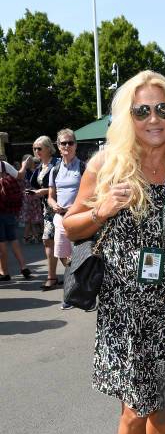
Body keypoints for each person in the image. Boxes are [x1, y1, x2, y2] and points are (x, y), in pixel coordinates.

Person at [63, 71, 165, 434]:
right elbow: (72, 227)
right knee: (134, 409)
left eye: (162, 108)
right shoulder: (106, 165)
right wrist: (101, 210)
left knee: (161, 406)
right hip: (123, 308)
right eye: (142, 110)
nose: (153, 118)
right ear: (127, 117)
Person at [48, 129, 85, 310]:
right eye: (63, 143)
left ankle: (73, 296)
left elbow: (91, 194)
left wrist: (75, 207)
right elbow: (50, 196)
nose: (67, 146)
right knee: (64, 257)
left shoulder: (83, 167)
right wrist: (53, 204)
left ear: (76, 145)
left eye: (70, 143)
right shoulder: (55, 169)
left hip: (78, 217)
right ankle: (76, 286)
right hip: (60, 219)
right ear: (58, 146)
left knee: (82, 255)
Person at [30, 136, 60, 289]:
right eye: (34, 148)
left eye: (39, 148)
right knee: (50, 241)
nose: (36, 151)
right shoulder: (40, 166)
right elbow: (36, 184)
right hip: (46, 209)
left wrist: (44, 191)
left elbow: (63, 186)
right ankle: (53, 276)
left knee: (52, 240)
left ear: (49, 148)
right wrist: (34, 192)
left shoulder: (58, 164)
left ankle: (59, 275)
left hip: (59, 208)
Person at [0, 158, 32, 281]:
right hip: (9, 209)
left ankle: (4, 272)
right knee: (13, 239)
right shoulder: (3, 164)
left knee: (1, 242)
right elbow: (20, 175)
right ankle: (23, 266)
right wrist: (23, 165)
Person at [19, 155, 43, 243]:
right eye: (27, 161)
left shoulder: (36, 171)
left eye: (30, 160)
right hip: (28, 198)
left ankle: (34, 236)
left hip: (34, 197)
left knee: (33, 219)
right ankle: (33, 236)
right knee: (31, 219)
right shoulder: (23, 172)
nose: (29, 162)